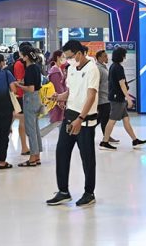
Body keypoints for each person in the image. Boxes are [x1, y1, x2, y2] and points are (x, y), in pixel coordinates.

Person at [46, 41, 99, 207]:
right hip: (69, 116)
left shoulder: (92, 69)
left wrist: (81, 118)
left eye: (70, 57)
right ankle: (63, 191)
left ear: (79, 54)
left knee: (87, 158)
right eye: (66, 57)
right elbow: (71, 92)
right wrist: (59, 97)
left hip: (84, 120)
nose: (67, 60)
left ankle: (89, 193)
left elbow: (91, 96)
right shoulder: (71, 69)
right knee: (62, 152)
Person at [100, 47, 146, 150]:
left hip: (117, 97)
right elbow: (122, 84)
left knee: (126, 119)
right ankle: (104, 142)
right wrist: (129, 99)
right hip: (117, 98)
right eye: (124, 55)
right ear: (121, 56)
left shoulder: (113, 66)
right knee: (112, 120)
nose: (125, 57)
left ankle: (135, 140)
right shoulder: (118, 68)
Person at [16, 46, 43, 167]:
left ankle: (32, 158)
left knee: (30, 130)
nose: (20, 57)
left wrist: (19, 86)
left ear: (26, 56)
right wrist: (22, 82)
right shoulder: (36, 67)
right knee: (35, 129)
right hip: (37, 98)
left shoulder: (29, 69)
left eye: (21, 54)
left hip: (30, 99)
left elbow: (30, 88)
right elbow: (35, 84)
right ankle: (37, 156)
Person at [40, 50, 68, 137]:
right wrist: (61, 100)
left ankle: (61, 138)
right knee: (57, 120)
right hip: (57, 100)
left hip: (58, 99)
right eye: (63, 57)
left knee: (59, 120)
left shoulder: (58, 69)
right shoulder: (55, 71)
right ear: (58, 58)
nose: (65, 59)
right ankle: (41, 133)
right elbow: (57, 87)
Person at [95, 50, 119, 144]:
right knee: (103, 118)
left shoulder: (104, 67)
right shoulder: (98, 69)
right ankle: (106, 137)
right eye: (104, 56)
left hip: (106, 96)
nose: (107, 57)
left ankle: (107, 136)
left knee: (102, 118)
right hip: (102, 98)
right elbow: (96, 84)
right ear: (99, 58)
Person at [13, 50, 30, 155]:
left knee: (20, 119)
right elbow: (19, 81)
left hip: (23, 94)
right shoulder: (19, 64)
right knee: (22, 120)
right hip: (19, 94)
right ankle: (24, 147)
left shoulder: (24, 64)